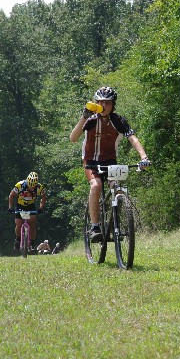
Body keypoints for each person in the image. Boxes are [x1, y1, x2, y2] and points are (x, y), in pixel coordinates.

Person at [69, 86, 151, 243]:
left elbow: (132, 138)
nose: (103, 106)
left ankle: (116, 222)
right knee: (96, 186)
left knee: (117, 188)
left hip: (110, 161)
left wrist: (143, 157)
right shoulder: (90, 120)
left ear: (113, 105)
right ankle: (94, 227)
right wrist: (83, 117)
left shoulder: (118, 121)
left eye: (107, 103)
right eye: (100, 102)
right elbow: (73, 138)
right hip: (91, 161)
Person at [8, 172, 47, 251]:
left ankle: (32, 242)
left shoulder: (39, 187)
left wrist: (41, 208)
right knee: (18, 223)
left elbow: (44, 197)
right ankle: (18, 239)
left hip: (31, 206)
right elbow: (11, 196)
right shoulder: (20, 185)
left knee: (32, 223)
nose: (31, 188)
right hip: (20, 206)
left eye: (33, 187)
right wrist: (10, 207)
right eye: (30, 186)